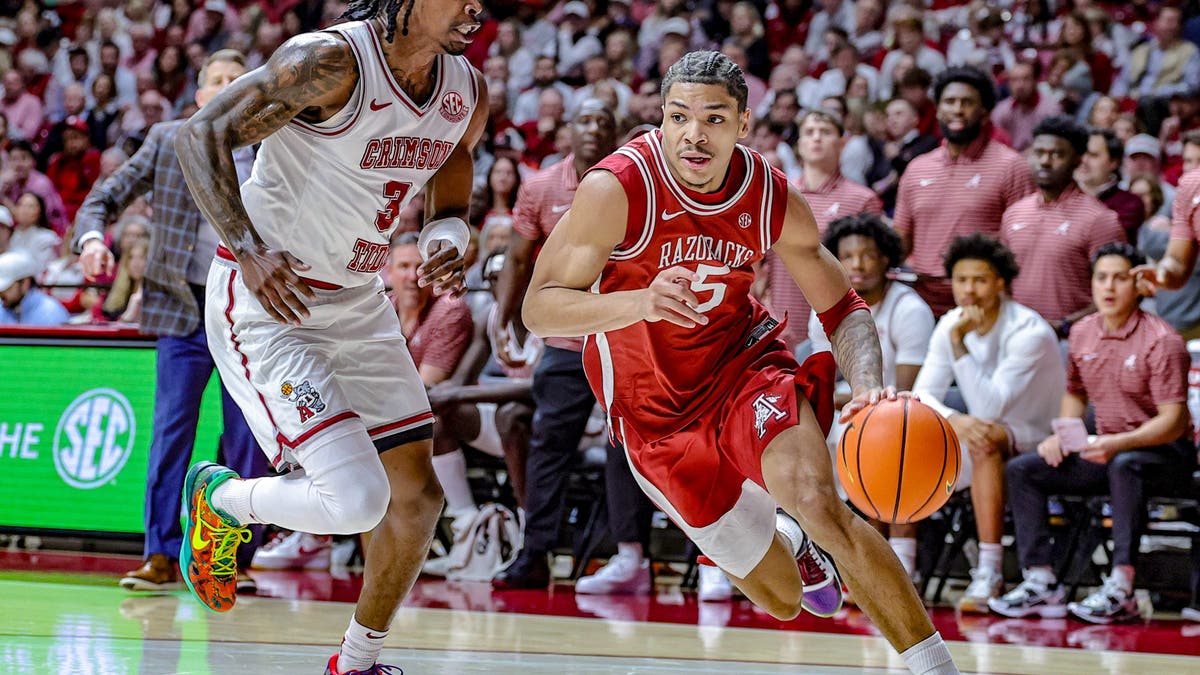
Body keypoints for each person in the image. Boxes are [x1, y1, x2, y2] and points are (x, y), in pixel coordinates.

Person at [522, 51, 958, 675]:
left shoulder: (768, 194)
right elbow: (539, 309)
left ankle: (936, 667)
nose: (694, 134)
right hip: (654, 422)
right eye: (678, 117)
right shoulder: (616, 189)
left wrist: (868, 387)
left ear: (743, 125)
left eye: (713, 118)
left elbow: (844, 305)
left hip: (742, 369)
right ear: (661, 120)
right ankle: (793, 542)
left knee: (818, 497)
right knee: (783, 601)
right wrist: (640, 302)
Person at [171, 3, 486, 674]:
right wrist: (251, 250)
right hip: (269, 300)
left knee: (417, 498)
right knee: (355, 500)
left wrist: (446, 234)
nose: (476, 7)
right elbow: (198, 135)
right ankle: (219, 498)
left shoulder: (465, 88)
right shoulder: (329, 61)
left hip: (358, 301)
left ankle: (356, 661)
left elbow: (453, 164)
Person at [74, 49, 268, 596]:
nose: (229, 86)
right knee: (170, 434)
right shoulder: (166, 138)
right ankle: (159, 554)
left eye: (239, 79)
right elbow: (106, 196)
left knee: (248, 439)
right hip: (184, 307)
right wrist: (92, 239)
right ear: (202, 95)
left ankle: (233, 558)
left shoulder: (275, 143)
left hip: (249, 313)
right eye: (218, 80)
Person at [489, 100, 658, 593]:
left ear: (614, 133)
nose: (593, 129)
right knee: (548, 444)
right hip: (564, 339)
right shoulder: (541, 186)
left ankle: (631, 556)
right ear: (568, 131)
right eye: (584, 120)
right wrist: (505, 316)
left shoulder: (631, 185)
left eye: (603, 122)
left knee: (625, 441)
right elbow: (517, 259)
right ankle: (535, 552)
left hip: (622, 338)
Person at [991, 243, 1195, 624]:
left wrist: (1116, 443)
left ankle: (1122, 587)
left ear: (1138, 284)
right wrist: (1062, 435)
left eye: (1120, 278)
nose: (1109, 287)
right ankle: (1041, 581)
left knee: (1125, 465)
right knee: (1024, 469)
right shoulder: (1083, 333)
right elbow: (1075, 392)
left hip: (1164, 456)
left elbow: (1175, 420)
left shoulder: (1162, 340)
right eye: (1101, 278)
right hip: (1106, 449)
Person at [912, 234, 1065, 613]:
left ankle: (989, 570)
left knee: (985, 440)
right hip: (985, 433)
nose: (969, 290)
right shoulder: (951, 323)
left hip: (1041, 436)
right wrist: (953, 418)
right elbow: (921, 394)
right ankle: (902, 566)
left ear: (1000, 282)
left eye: (979, 280)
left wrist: (960, 343)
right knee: (905, 441)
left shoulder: (1029, 331)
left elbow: (990, 406)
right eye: (961, 280)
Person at [808, 214, 935, 583]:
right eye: (848, 256)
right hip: (850, 413)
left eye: (868, 255)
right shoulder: (825, 313)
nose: (858, 264)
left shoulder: (909, 309)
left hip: (904, 414)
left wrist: (852, 401)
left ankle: (900, 564)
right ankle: (842, 559)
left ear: (886, 259)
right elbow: (825, 384)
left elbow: (907, 389)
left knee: (887, 435)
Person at [893, 66, 1035, 317]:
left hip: (983, 307)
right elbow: (901, 241)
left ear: (984, 112)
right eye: (949, 101)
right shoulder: (917, 168)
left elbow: (1024, 245)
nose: (957, 109)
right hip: (921, 307)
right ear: (937, 109)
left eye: (967, 102)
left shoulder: (1011, 166)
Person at [765, 109, 882, 352]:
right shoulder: (777, 193)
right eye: (809, 132)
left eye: (825, 132)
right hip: (782, 321)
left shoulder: (862, 199)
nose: (816, 138)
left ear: (842, 142)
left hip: (834, 322)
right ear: (799, 143)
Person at [1000, 116, 1125, 334]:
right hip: (1015, 337)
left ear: (1077, 160)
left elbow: (1121, 292)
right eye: (1039, 153)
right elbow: (1001, 280)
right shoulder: (1013, 214)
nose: (1045, 161)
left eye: (1056, 154)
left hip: (1073, 341)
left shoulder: (1099, 219)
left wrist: (1065, 326)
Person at [1076, 128, 1146, 241]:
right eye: (1081, 153)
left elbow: (1105, 239)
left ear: (1114, 162)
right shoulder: (1061, 195)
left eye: (1093, 155)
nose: (1084, 160)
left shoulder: (1130, 203)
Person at [0, 249, 69, 326]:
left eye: (6, 287)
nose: (1, 293)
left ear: (25, 283)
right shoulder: (2, 309)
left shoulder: (51, 313)